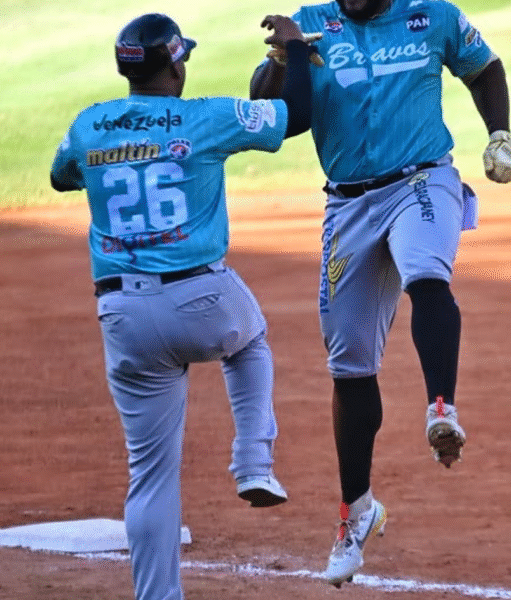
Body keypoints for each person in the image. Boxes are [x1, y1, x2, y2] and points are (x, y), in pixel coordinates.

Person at [248, 0, 511, 587]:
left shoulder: (433, 17)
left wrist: (499, 132)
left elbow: (485, 68)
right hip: (348, 205)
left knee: (427, 274)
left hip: (422, 178)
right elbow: (280, 113)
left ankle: (441, 408)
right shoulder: (314, 22)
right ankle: (357, 513)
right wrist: (284, 56)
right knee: (349, 366)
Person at [49, 12, 314, 600]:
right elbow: (294, 113)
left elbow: (61, 176)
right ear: (175, 63)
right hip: (202, 299)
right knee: (250, 339)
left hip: (123, 316)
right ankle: (251, 462)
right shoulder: (205, 118)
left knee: (149, 478)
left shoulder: (90, 124)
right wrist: (293, 52)